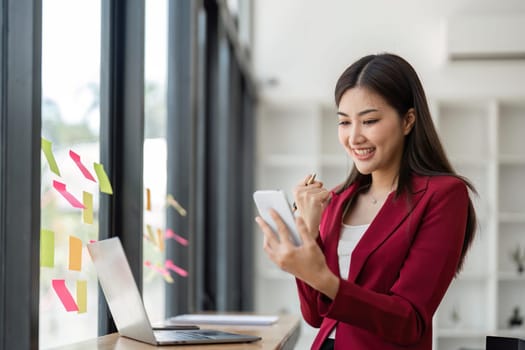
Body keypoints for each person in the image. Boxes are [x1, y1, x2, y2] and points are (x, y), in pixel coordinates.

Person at [255, 53, 477, 350]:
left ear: (408, 120)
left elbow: (409, 320)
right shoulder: (336, 201)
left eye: (369, 121)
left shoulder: (444, 195)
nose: (354, 137)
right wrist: (306, 237)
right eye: (344, 122)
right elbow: (315, 316)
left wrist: (322, 277)